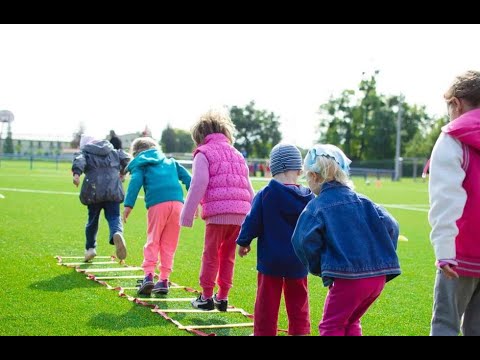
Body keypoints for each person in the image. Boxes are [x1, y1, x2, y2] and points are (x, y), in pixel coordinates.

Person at [291, 144, 401, 336]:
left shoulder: (317, 206)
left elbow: (301, 241)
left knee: (331, 326)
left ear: (314, 177)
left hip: (348, 279)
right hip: (377, 279)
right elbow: (392, 225)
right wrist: (382, 256)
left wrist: (319, 267)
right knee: (351, 320)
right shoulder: (365, 201)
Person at [236, 143, 315, 336]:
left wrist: (244, 241)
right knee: (298, 301)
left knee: (266, 302)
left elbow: (252, 220)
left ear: (271, 168)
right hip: (298, 259)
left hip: (270, 260)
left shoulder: (265, 194)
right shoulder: (310, 198)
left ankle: (263, 332)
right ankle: (300, 332)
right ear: (299, 169)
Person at [180, 108, 254, 311]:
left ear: (200, 136)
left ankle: (205, 297)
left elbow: (198, 183)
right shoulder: (237, 154)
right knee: (227, 256)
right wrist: (254, 218)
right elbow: (248, 187)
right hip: (240, 214)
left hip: (218, 214)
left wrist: (187, 215)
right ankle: (222, 297)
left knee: (210, 255)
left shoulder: (203, 153)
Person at [428, 70, 480, 336]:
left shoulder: (453, 137)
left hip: (460, 255)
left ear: (457, 104)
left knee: (445, 325)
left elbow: (445, 198)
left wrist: (444, 250)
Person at [123, 137, 191, 296]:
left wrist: (128, 205)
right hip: (178, 205)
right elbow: (190, 180)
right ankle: (164, 280)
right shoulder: (171, 162)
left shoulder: (141, 164)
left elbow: (135, 182)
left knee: (153, 240)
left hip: (157, 205)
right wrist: (195, 202)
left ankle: (148, 276)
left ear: (136, 153)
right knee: (169, 244)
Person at [72, 134, 131, 262]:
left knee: (92, 220)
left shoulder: (86, 153)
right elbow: (127, 159)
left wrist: (76, 174)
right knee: (114, 216)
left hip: (94, 191)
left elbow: (79, 160)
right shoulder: (113, 151)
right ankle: (117, 233)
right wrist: (123, 172)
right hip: (113, 190)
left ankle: (90, 248)